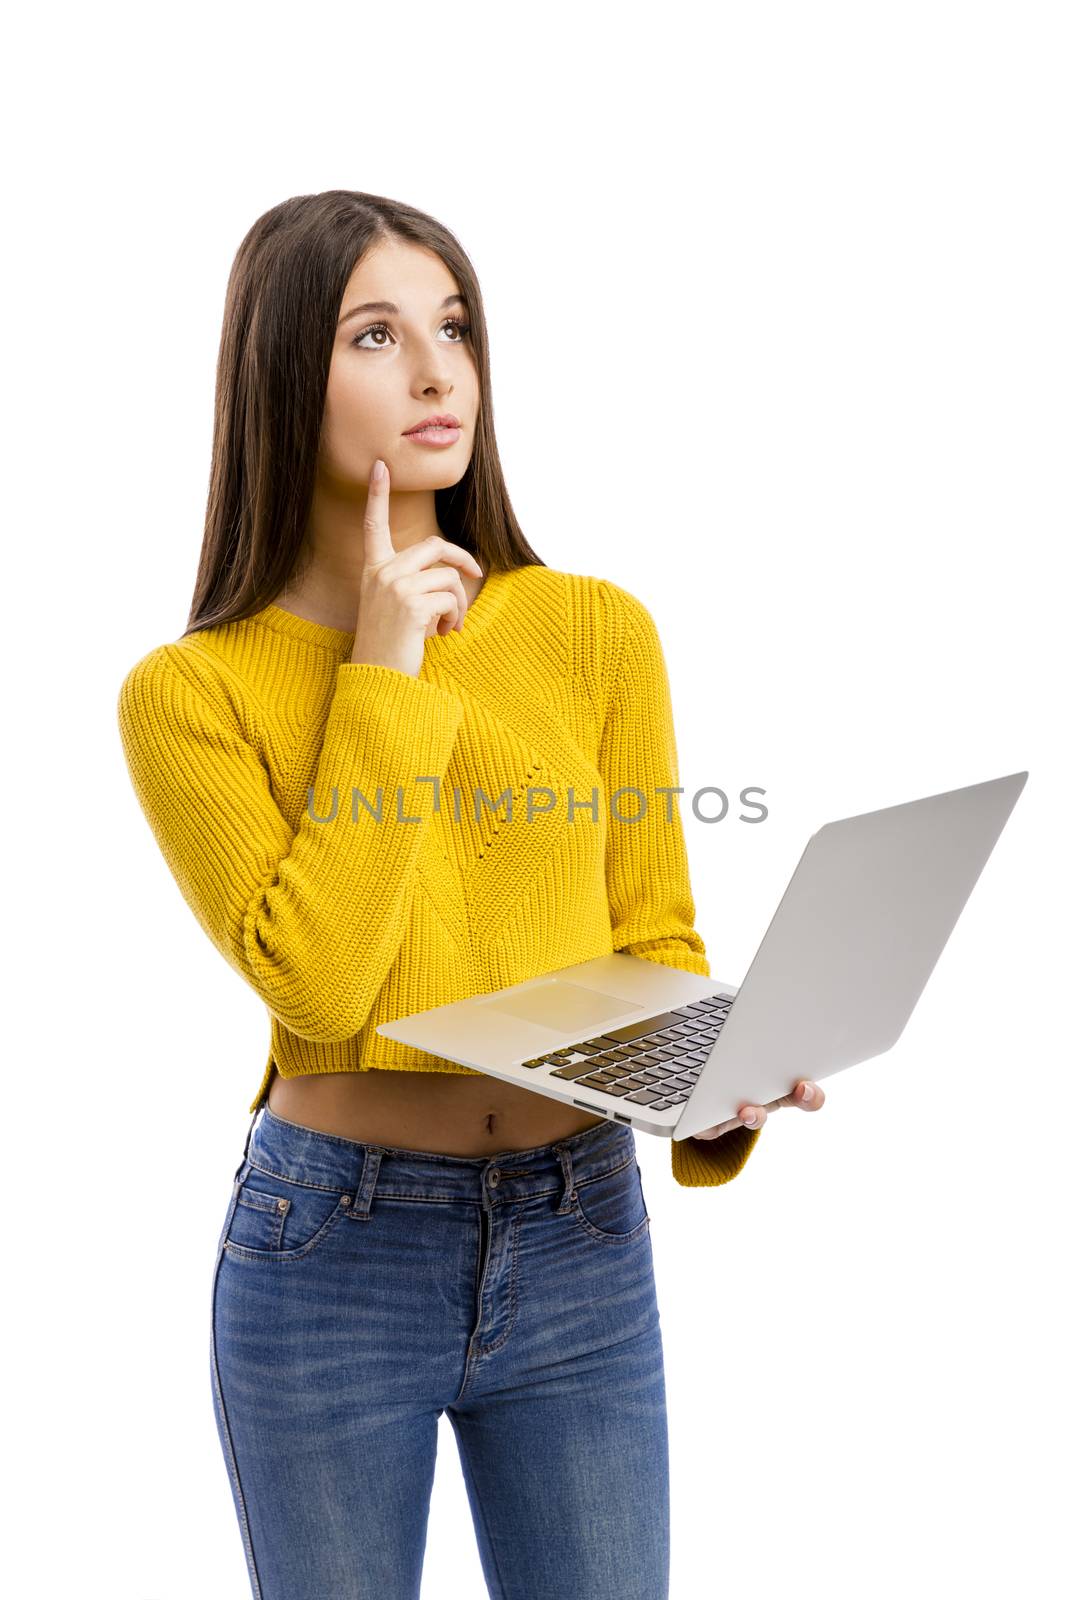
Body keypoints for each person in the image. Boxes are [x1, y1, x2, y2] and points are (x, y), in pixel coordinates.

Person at [117, 192, 825, 1600]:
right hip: (332, 1253)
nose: (439, 373)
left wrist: (706, 1075)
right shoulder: (189, 694)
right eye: (376, 334)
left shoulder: (591, 631)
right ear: (279, 376)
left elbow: (654, 942)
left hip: (582, 1236)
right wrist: (386, 669)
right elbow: (316, 991)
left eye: (454, 328)